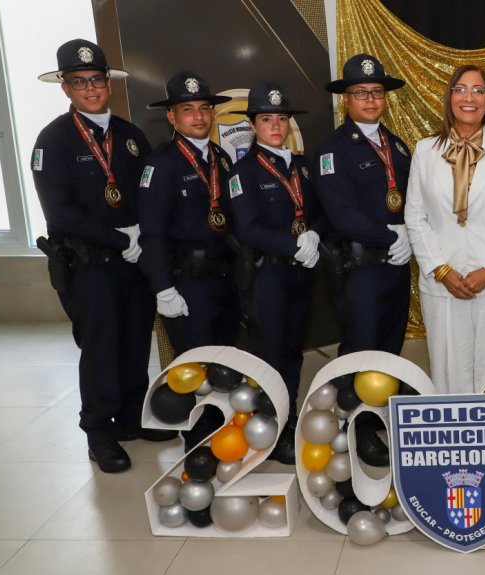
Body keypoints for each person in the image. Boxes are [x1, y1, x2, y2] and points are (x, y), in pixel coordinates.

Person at [31, 39, 173, 473]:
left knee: (135, 341)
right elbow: (61, 214)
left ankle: (131, 418)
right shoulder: (53, 140)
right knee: (100, 350)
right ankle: (99, 431)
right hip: (90, 265)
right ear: (65, 88)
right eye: (79, 82)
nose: (90, 89)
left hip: (133, 264)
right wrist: (118, 237)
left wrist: (142, 238)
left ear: (107, 82)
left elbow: (150, 195)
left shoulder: (131, 137)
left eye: (96, 80)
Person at [405, 65, 485, 394]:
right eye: (460, 89)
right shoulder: (424, 151)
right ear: (449, 99)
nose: (469, 97)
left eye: (478, 90)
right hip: (443, 280)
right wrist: (442, 269)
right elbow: (415, 217)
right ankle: (456, 440)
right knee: (449, 372)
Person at [138, 71, 237, 452]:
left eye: (204, 108)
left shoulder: (221, 159)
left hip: (224, 280)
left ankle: (224, 436)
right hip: (187, 283)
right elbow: (153, 234)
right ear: (172, 117)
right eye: (187, 109)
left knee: (224, 367)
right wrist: (163, 287)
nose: (198, 117)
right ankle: (197, 446)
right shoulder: (160, 166)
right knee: (195, 371)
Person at [228, 82, 322, 464]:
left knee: (292, 352)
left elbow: (319, 212)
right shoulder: (243, 172)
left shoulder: (302, 166)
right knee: (269, 354)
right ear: (253, 124)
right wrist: (291, 244)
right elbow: (246, 227)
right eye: (267, 119)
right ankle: (271, 425)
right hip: (268, 276)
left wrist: (316, 234)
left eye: (282, 119)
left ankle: (288, 413)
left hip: (302, 275)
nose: (276, 126)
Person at [316, 54, 411, 357]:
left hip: (398, 267)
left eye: (377, 92)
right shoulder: (334, 150)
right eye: (360, 92)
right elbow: (343, 216)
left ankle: (384, 407)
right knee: (361, 356)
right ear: (346, 99)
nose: (370, 100)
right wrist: (395, 236)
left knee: (392, 352)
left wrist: (411, 232)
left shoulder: (398, 146)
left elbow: (414, 200)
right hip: (361, 272)